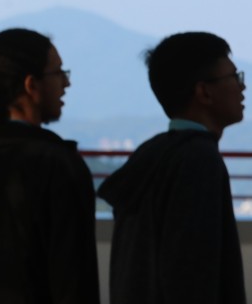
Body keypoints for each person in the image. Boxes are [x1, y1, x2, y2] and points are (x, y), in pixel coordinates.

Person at [0, 28, 100, 304]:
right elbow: (74, 279)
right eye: (59, 73)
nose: (66, 84)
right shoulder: (59, 165)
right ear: (31, 85)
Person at [97, 32, 246, 304]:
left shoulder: (151, 154)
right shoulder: (199, 160)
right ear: (204, 92)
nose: (242, 87)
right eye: (234, 78)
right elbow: (193, 271)